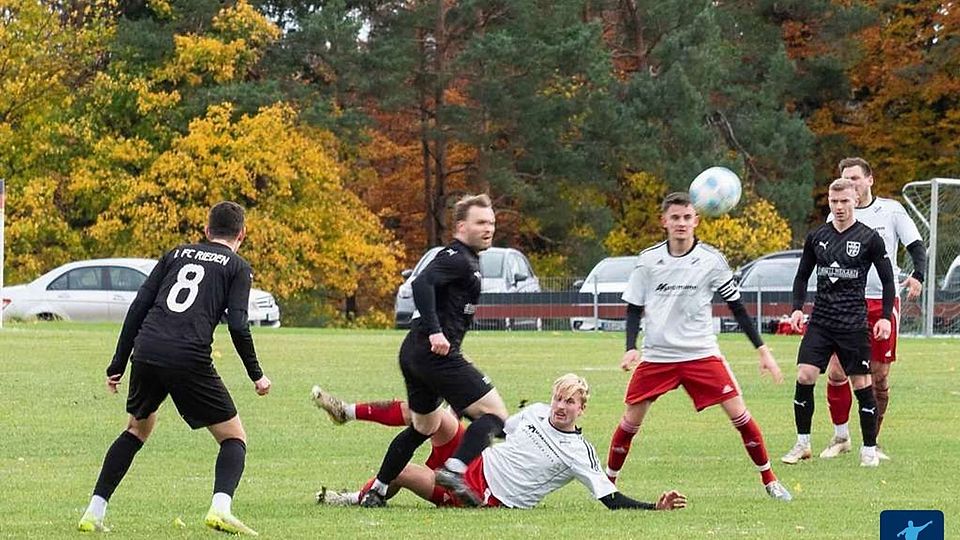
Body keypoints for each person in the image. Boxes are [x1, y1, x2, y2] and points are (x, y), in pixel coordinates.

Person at [77, 202, 272, 535]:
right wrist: (257, 374)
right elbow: (238, 324)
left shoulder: (175, 254)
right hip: (188, 356)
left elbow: (139, 306)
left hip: (148, 349)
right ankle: (221, 509)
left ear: (207, 230)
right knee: (233, 437)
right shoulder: (237, 266)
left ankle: (93, 512)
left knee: (136, 430)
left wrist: (117, 363)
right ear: (242, 233)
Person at [605, 191, 792, 502]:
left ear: (697, 220)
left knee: (740, 415)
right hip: (658, 356)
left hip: (701, 354)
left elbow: (737, 308)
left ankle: (770, 480)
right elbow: (634, 307)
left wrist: (763, 351)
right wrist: (630, 347)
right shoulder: (648, 260)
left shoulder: (712, 260)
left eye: (687, 217)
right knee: (630, 422)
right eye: (675, 217)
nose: (681, 223)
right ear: (664, 221)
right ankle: (607, 484)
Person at [319, 374, 688, 511]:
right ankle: (348, 411)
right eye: (559, 398)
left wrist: (653, 508)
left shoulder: (581, 451)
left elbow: (609, 498)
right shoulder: (537, 412)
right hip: (469, 461)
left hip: (483, 493)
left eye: (570, 402)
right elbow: (494, 428)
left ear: (582, 409)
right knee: (433, 414)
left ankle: (356, 496)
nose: (561, 406)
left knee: (401, 474)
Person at [360, 194, 510, 508]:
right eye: (481, 222)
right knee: (495, 414)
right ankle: (454, 470)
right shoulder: (455, 256)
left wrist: (447, 340)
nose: (488, 229)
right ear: (460, 226)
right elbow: (421, 284)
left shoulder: (468, 260)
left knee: (423, 427)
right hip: (432, 353)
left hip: (415, 353)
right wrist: (435, 331)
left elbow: (450, 309)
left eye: (492, 223)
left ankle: (378, 489)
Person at [781, 178, 896, 468]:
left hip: (853, 323)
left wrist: (884, 316)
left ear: (855, 199)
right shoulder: (818, 236)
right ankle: (803, 443)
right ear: (829, 203)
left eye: (844, 201)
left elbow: (887, 280)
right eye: (834, 202)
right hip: (821, 321)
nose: (840, 207)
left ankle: (868, 449)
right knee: (805, 375)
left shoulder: (869, 238)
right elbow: (801, 276)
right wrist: (796, 309)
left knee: (860, 383)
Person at [819, 157, 926, 462]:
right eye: (845, 179)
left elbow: (915, 244)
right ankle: (841, 436)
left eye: (855, 178)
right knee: (837, 372)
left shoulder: (890, 210)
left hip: (882, 301)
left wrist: (917, 274)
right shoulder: (834, 216)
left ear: (869, 180)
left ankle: (872, 441)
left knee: (878, 377)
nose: (850, 185)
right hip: (845, 302)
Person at [311, 385, 465, 505]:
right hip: (475, 456)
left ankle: (353, 498)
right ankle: (345, 411)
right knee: (429, 412)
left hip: (474, 488)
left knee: (400, 471)